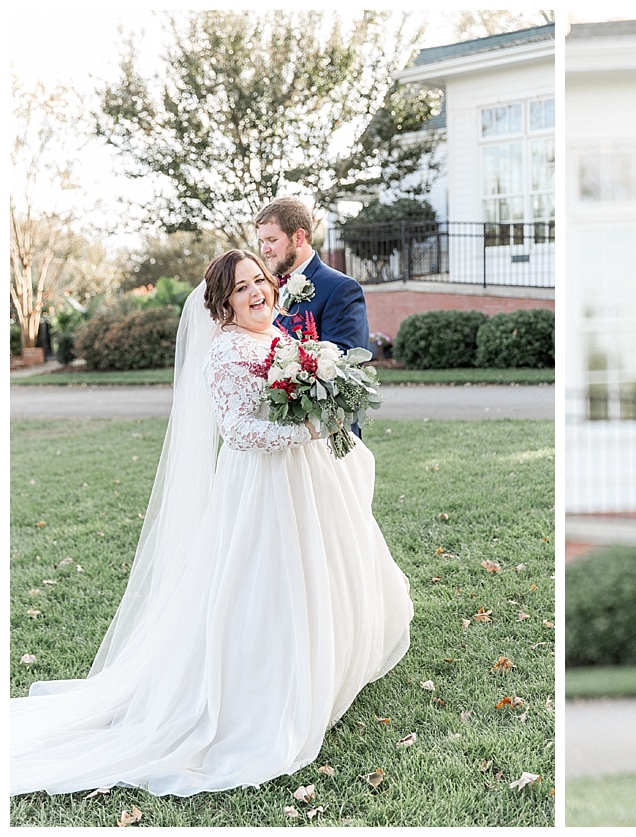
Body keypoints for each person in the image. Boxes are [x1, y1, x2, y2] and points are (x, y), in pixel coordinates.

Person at [11, 250, 413, 798]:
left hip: (307, 478)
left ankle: (327, 667)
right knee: (268, 585)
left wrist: (325, 405)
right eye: (241, 287)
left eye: (259, 281)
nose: (256, 292)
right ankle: (265, 692)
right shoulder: (224, 354)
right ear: (222, 304)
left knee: (322, 569)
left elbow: (300, 394)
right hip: (262, 488)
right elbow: (239, 431)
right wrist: (306, 433)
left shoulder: (279, 335)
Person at [255, 196, 371, 355]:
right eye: (262, 241)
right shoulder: (263, 288)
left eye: (272, 240)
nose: (264, 250)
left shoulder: (340, 289)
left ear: (298, 238)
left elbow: (346, 363)